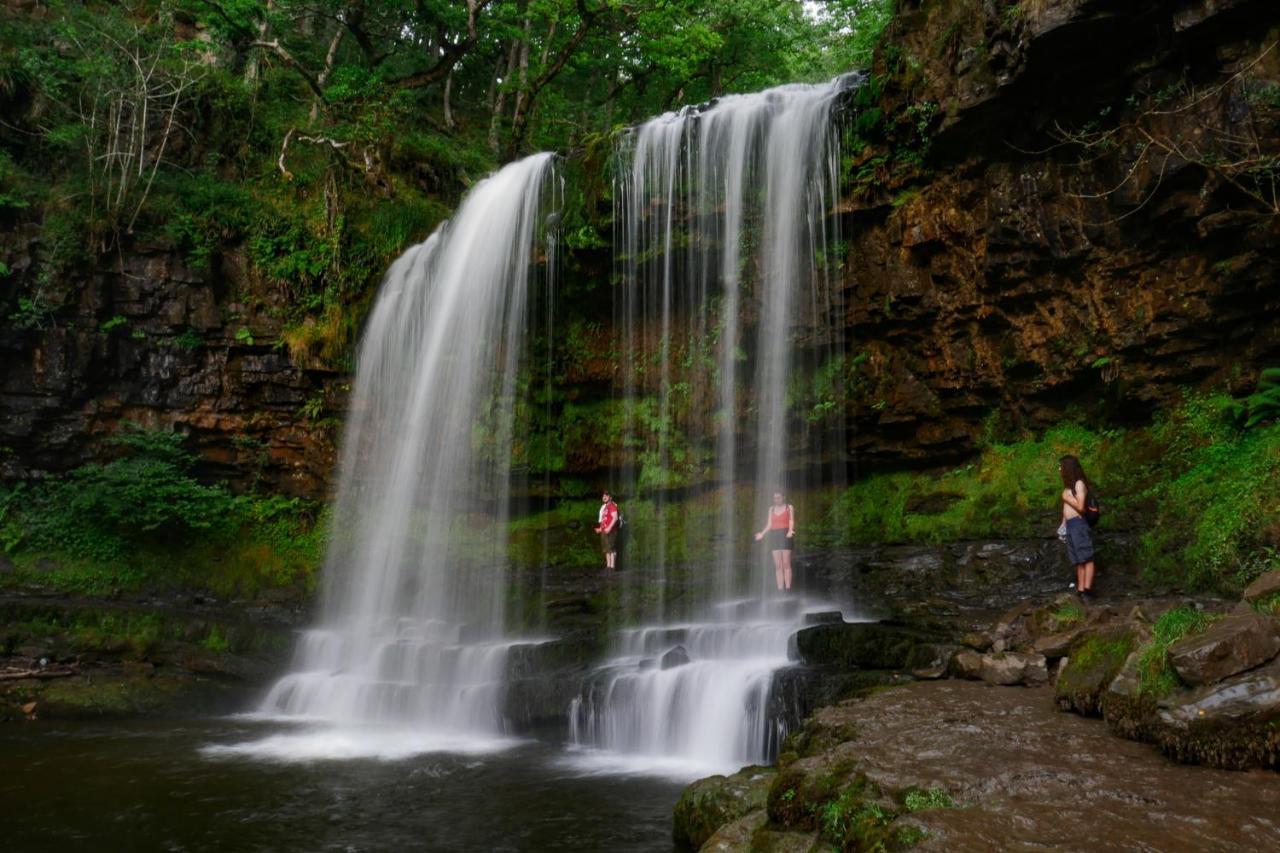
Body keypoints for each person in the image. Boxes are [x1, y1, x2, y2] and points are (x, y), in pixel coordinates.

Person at [1058, 455, 1096, 601]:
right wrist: (1063, 524)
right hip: (1071, 526)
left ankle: (1087, 590)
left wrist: (1067, 498)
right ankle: (1080, 590)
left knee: (1087, 557)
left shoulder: (1079, 484)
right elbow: (1066, 509)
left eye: (1061, 466)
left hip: (1079, 525)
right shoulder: (1068, 487)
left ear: (1068, 468)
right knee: (1079, 560)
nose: (1059, 469)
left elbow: (1080, 507)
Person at [754, 491, 795, 591]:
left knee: (786, 563)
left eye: (778, 497)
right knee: (777, 565)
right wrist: (762, 534)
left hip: (785, 534)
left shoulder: (789, 507)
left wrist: (790, 530)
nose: (776, 500)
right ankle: (780, 588)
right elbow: (769, 524)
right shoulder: (771, 509)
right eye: (775, 498)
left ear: (783, 497)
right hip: (775, 535)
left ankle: (788, 587)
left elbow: (791, 520)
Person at [594, 491, 620, 571]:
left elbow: (615, 518)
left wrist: (609, 528)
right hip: (605, 530)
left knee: (611, 548)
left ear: (610, 497)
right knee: (606, 549)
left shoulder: (612, 506)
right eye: (603, 496)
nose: (604, 497)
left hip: (611, 530)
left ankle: (612, 567)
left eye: (606, 495)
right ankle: (608, 566)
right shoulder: (605, 507)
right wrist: (600, 529)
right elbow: (604, 520)